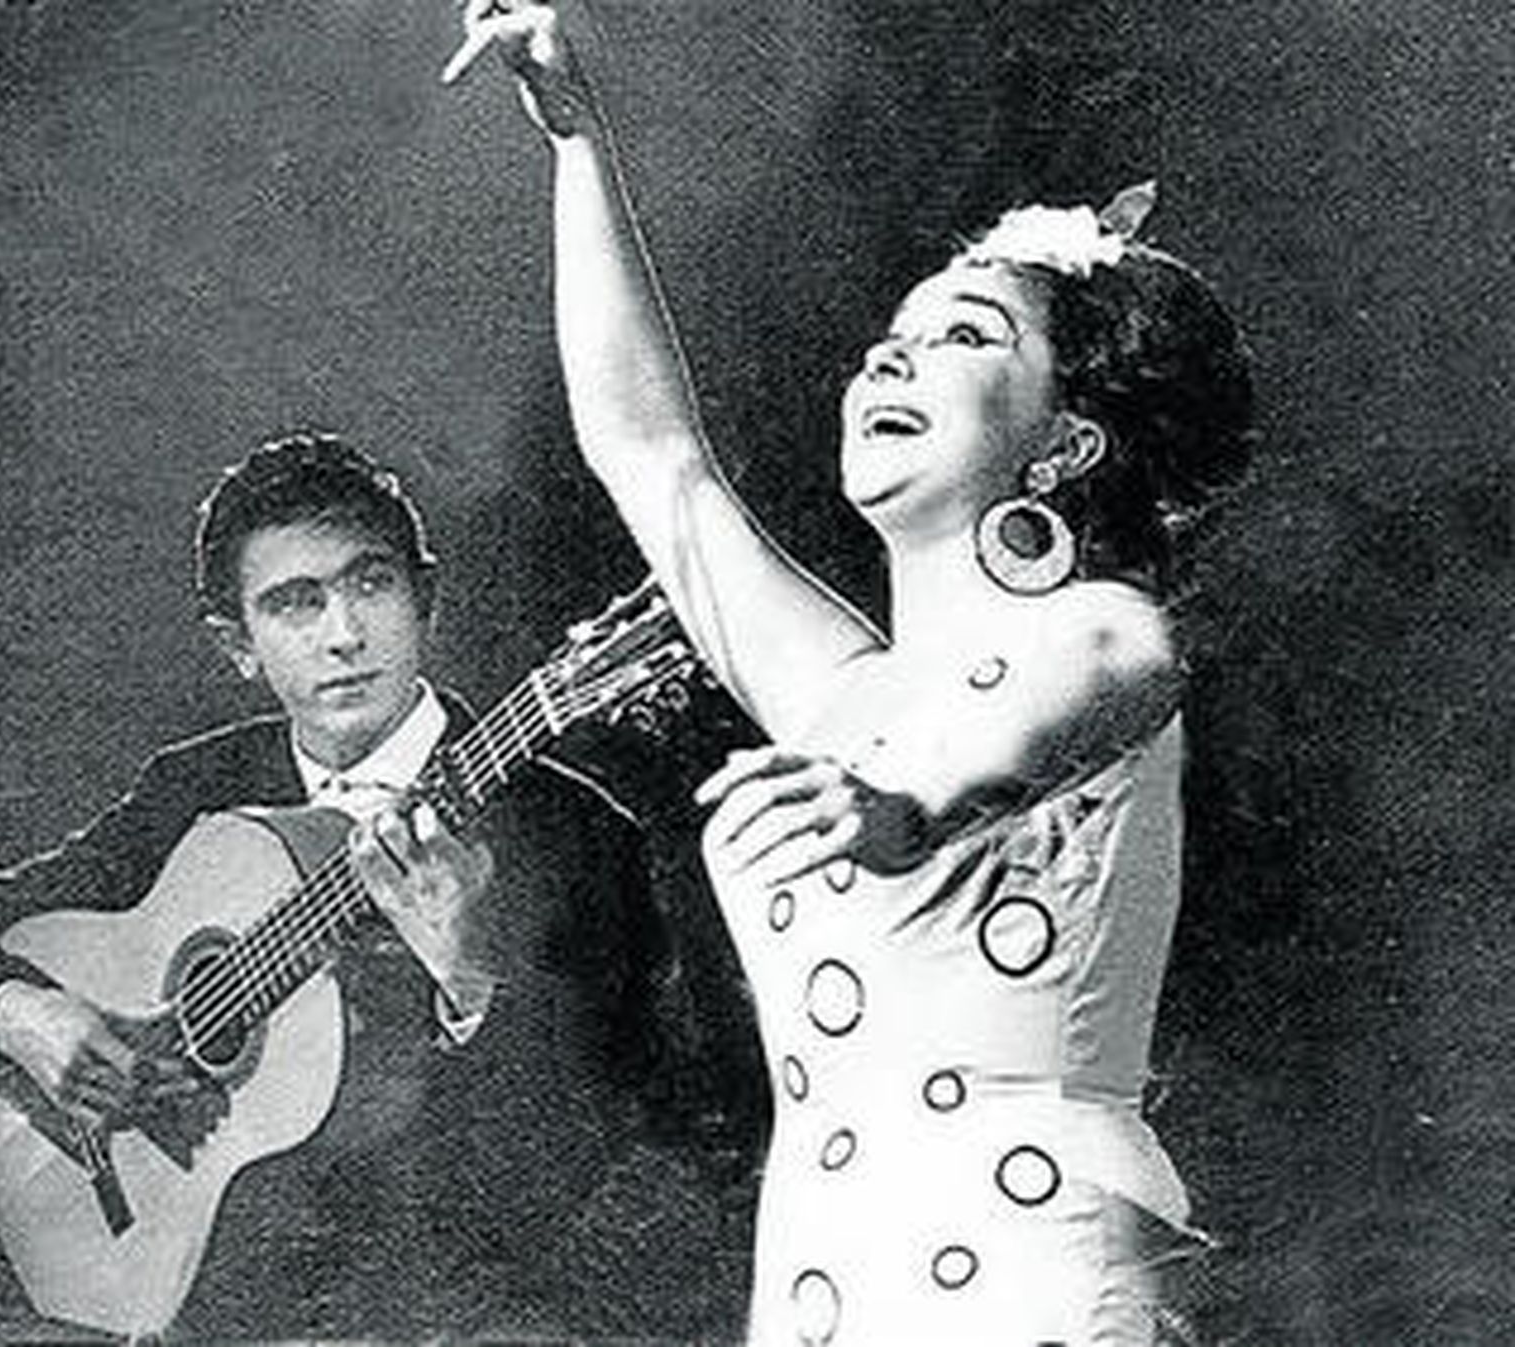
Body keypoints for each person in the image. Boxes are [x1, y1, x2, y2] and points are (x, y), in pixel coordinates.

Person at [453, 4, 1256, 1341]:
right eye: (895, 335)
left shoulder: (1105, 629)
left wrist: (901, 811)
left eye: (967, 336)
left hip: (1033, 1272)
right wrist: (579, 140)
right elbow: (651, 453)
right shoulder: (839, 697)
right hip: (833, 1279)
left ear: (1063, 446)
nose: (892, 355)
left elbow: (1063, 706)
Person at [0, 432, 743, 1341]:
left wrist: (470, 981)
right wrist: (13, 1012)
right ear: (239, 645)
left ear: (426, 601)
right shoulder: (196, 791)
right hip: (207, 1299)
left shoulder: (579, 836)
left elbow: (615, 1167)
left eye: (371, 584)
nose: (343, 634)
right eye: (294, 603)